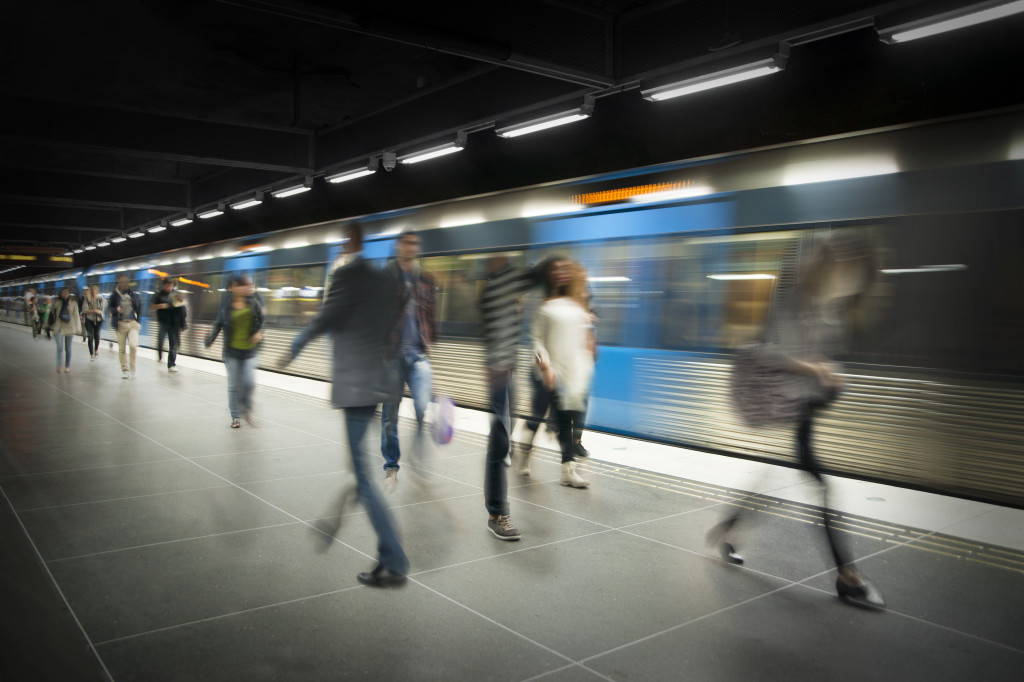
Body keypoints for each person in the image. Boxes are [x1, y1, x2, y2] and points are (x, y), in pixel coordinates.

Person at [707, 230, 885, 608]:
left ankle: (728, 527)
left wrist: (830, 377)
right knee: (818, 485)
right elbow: (767, 352)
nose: (851, 280)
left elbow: (822, 361)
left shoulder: (831, 309)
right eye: (847, 271)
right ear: (828, 267)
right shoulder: (791, 301)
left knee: (778, 479)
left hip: (805, 410)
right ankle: (847, 576)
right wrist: (813, 368)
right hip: (784, 405)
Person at [283, 222, 408, 587]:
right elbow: (390, 325)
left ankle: (394, 559)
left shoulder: (346, 275)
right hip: (376, 380)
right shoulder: (386, 278)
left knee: (363, 476)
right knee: (357, 464)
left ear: (349, 240)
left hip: (355, 385)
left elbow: (325, 319)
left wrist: (293, 347)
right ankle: (337, 518)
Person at [478, 255, 540, 540]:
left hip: (508, 376)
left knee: (501, 442)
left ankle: (496, 510)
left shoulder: (503, 293)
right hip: (499, 377)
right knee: (500, 444)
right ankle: (497, 513)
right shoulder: (492, 294)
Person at [531, 259, 596, 488]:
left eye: (565, 269)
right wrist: (546, 367)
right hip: (553, 371)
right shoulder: (545, 307)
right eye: (556, 269)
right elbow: (538, 339)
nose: (561, 273)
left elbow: (584, 339)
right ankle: (565, 468)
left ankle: (566, 468)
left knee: (567, 420)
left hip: (575, 371)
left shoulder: (578, 305)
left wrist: (587, 361)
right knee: (559, 420)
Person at [380, 228, 437, 490]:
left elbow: (429, 315)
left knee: (422, 408)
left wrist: (430, 345)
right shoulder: (386, 276)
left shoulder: (425, 279)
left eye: (416, 243)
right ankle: (391, 465)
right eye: (408, 243)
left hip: (418, 355)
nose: (413, 247)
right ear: (398, 246)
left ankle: (418, 459)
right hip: (391, 356)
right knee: (390, 415)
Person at [205, 275, 264, 428]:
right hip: (231, 352)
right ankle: (235, 417)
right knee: (234, 385)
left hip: (249, 351)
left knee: (249, 383)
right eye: (241, 286)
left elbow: (261, 321)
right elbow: (218, 324)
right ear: (232, 288)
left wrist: (259, 333)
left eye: (246, 286)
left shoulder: (254, 303)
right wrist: (209, 340)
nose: (245, 288)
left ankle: (246, 408)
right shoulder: (225, 307)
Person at [108, 274, 142, 379]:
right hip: (120, 324)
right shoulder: (114, 295)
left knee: (133, 345)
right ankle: (125, 369)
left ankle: (133, 368)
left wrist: (138, 321)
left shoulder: (133, 293)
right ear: (119, 282)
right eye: (122, 282)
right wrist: (116, 310)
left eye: (126, 282)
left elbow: (139, 306)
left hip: (132, 324)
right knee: (122, 349)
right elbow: (109, 308)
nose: (124, 284)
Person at [152, 278, 183, 373]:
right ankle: (160, 354)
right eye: (167, 286)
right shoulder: (159, 295)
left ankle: (171, 364)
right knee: (160, 340)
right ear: (164, 285)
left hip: (173, 324)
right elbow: (153, 306)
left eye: (171, 286)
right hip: (163, 323)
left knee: (173, 344)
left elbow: (180, 307)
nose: (169, 287)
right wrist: (161, 306)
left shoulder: (175, 295)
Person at [48, 288, 81, 373]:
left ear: (69, 294)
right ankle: (59, 366)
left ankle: (67, 366)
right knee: (60, 347)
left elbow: (76, 316)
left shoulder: (73, 303)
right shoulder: (57, 302)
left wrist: (78, 328)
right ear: (61, 294)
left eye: (66, 293)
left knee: (68, 348)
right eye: (63, 293)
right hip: (58, 327)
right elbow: (51, 312)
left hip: (70, 327)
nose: (64, 294)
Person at [80, 284, 104, 360]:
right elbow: (84, 310)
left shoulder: (100, 299)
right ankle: (91, 354)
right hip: (89, 320)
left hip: (98, 320)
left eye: (95, 290)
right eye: (92, 290)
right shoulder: (87, 299)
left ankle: (96, 349)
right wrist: (94, 310)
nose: (93, 291)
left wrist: (100, 313)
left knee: (97, 335)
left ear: (97, 291)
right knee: (90, 337)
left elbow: (102, 309)